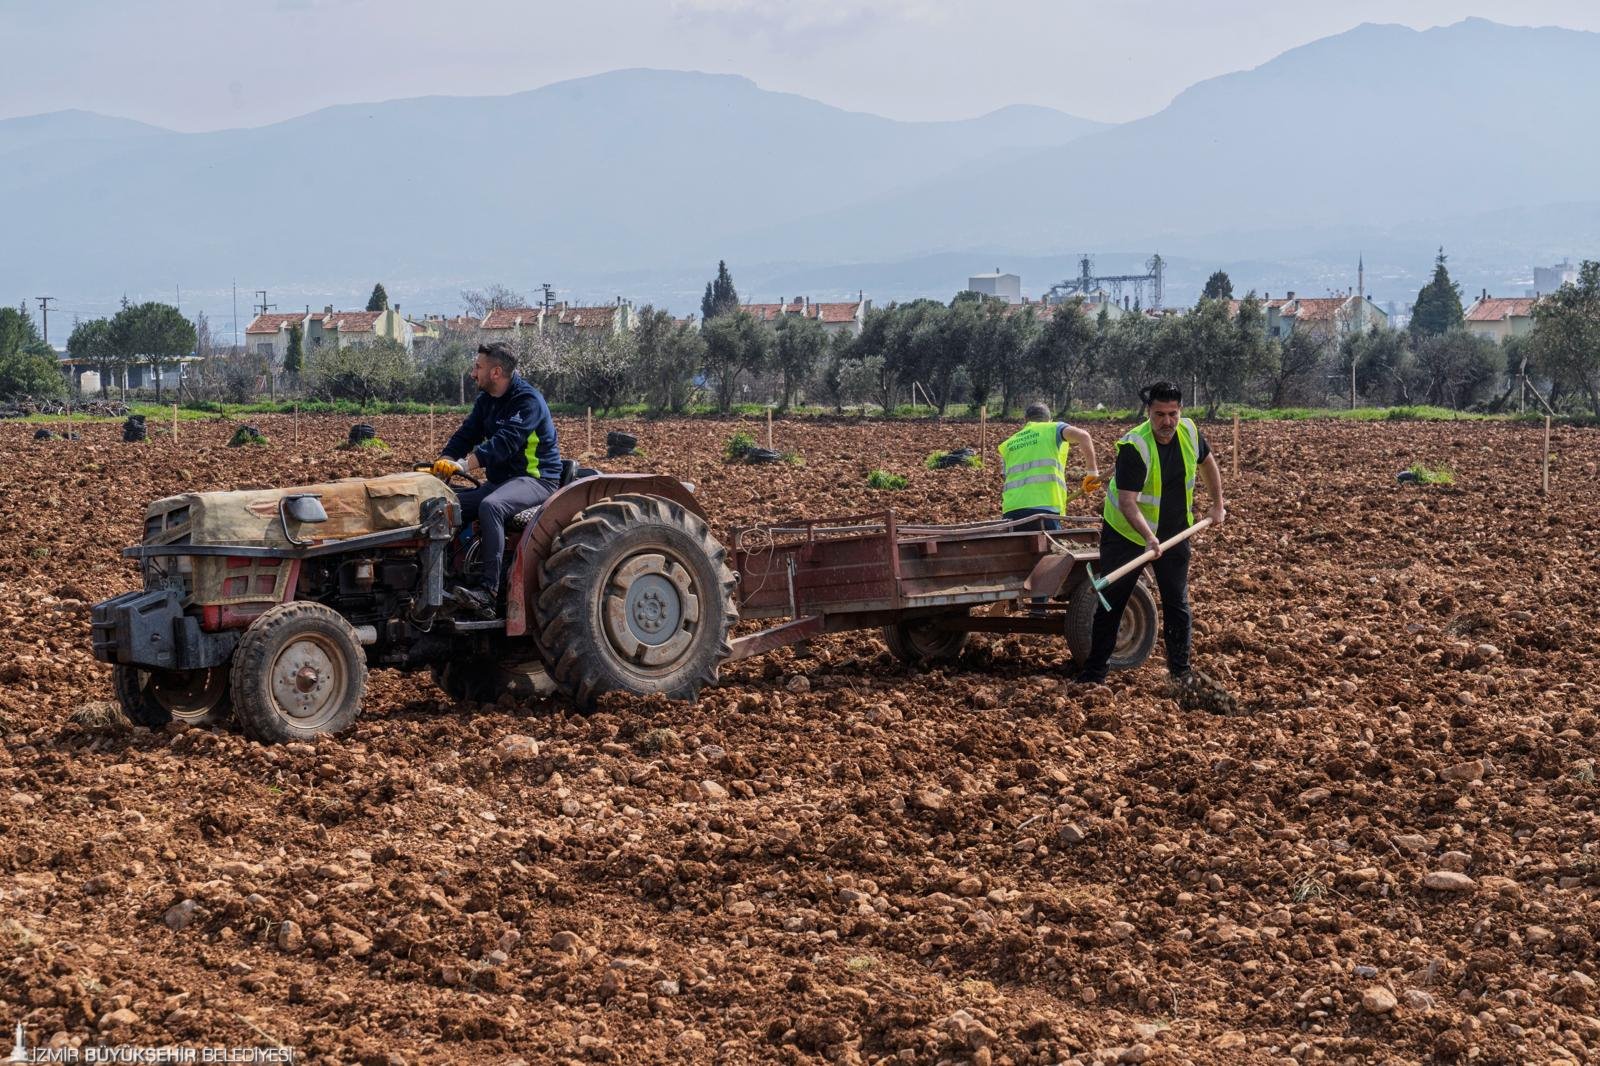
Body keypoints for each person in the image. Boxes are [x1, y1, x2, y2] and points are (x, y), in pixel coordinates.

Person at [1076, 381, 1226, 684]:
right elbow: (1128, 503)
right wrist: (1148, 537)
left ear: (1180, 411)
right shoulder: (1135, 447)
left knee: (1177, 602)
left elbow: (1208, 464)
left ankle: (1181, 674)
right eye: (1160, 414)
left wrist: (1217, 505)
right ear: (1149, 412)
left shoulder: (1190, 432)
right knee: (1113, 601)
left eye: (1172, 414)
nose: (1167, 422)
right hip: (1127, 534)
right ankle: (1094, 674)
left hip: (1175, 532)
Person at [431, 342, 562, 617]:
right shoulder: (486, 401)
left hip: (536, 480)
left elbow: (505, 443)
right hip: (501, 482)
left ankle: (488, 592)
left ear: (496, 372)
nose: (472, 373)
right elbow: (466, 434)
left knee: (492, 506)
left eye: (478, 367)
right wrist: (444, 462)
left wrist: (464, 465)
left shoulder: (528, 402)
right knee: (442, 503)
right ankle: (440, 580)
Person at [997, 401, 1100, 533]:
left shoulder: (1008, 444)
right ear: (1050, 419)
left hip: (1012, 513)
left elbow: (1007, 477)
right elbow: (1083, 436)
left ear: (1025, 420)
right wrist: (1092, 473)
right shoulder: (1053, 428)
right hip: (1044, 510)